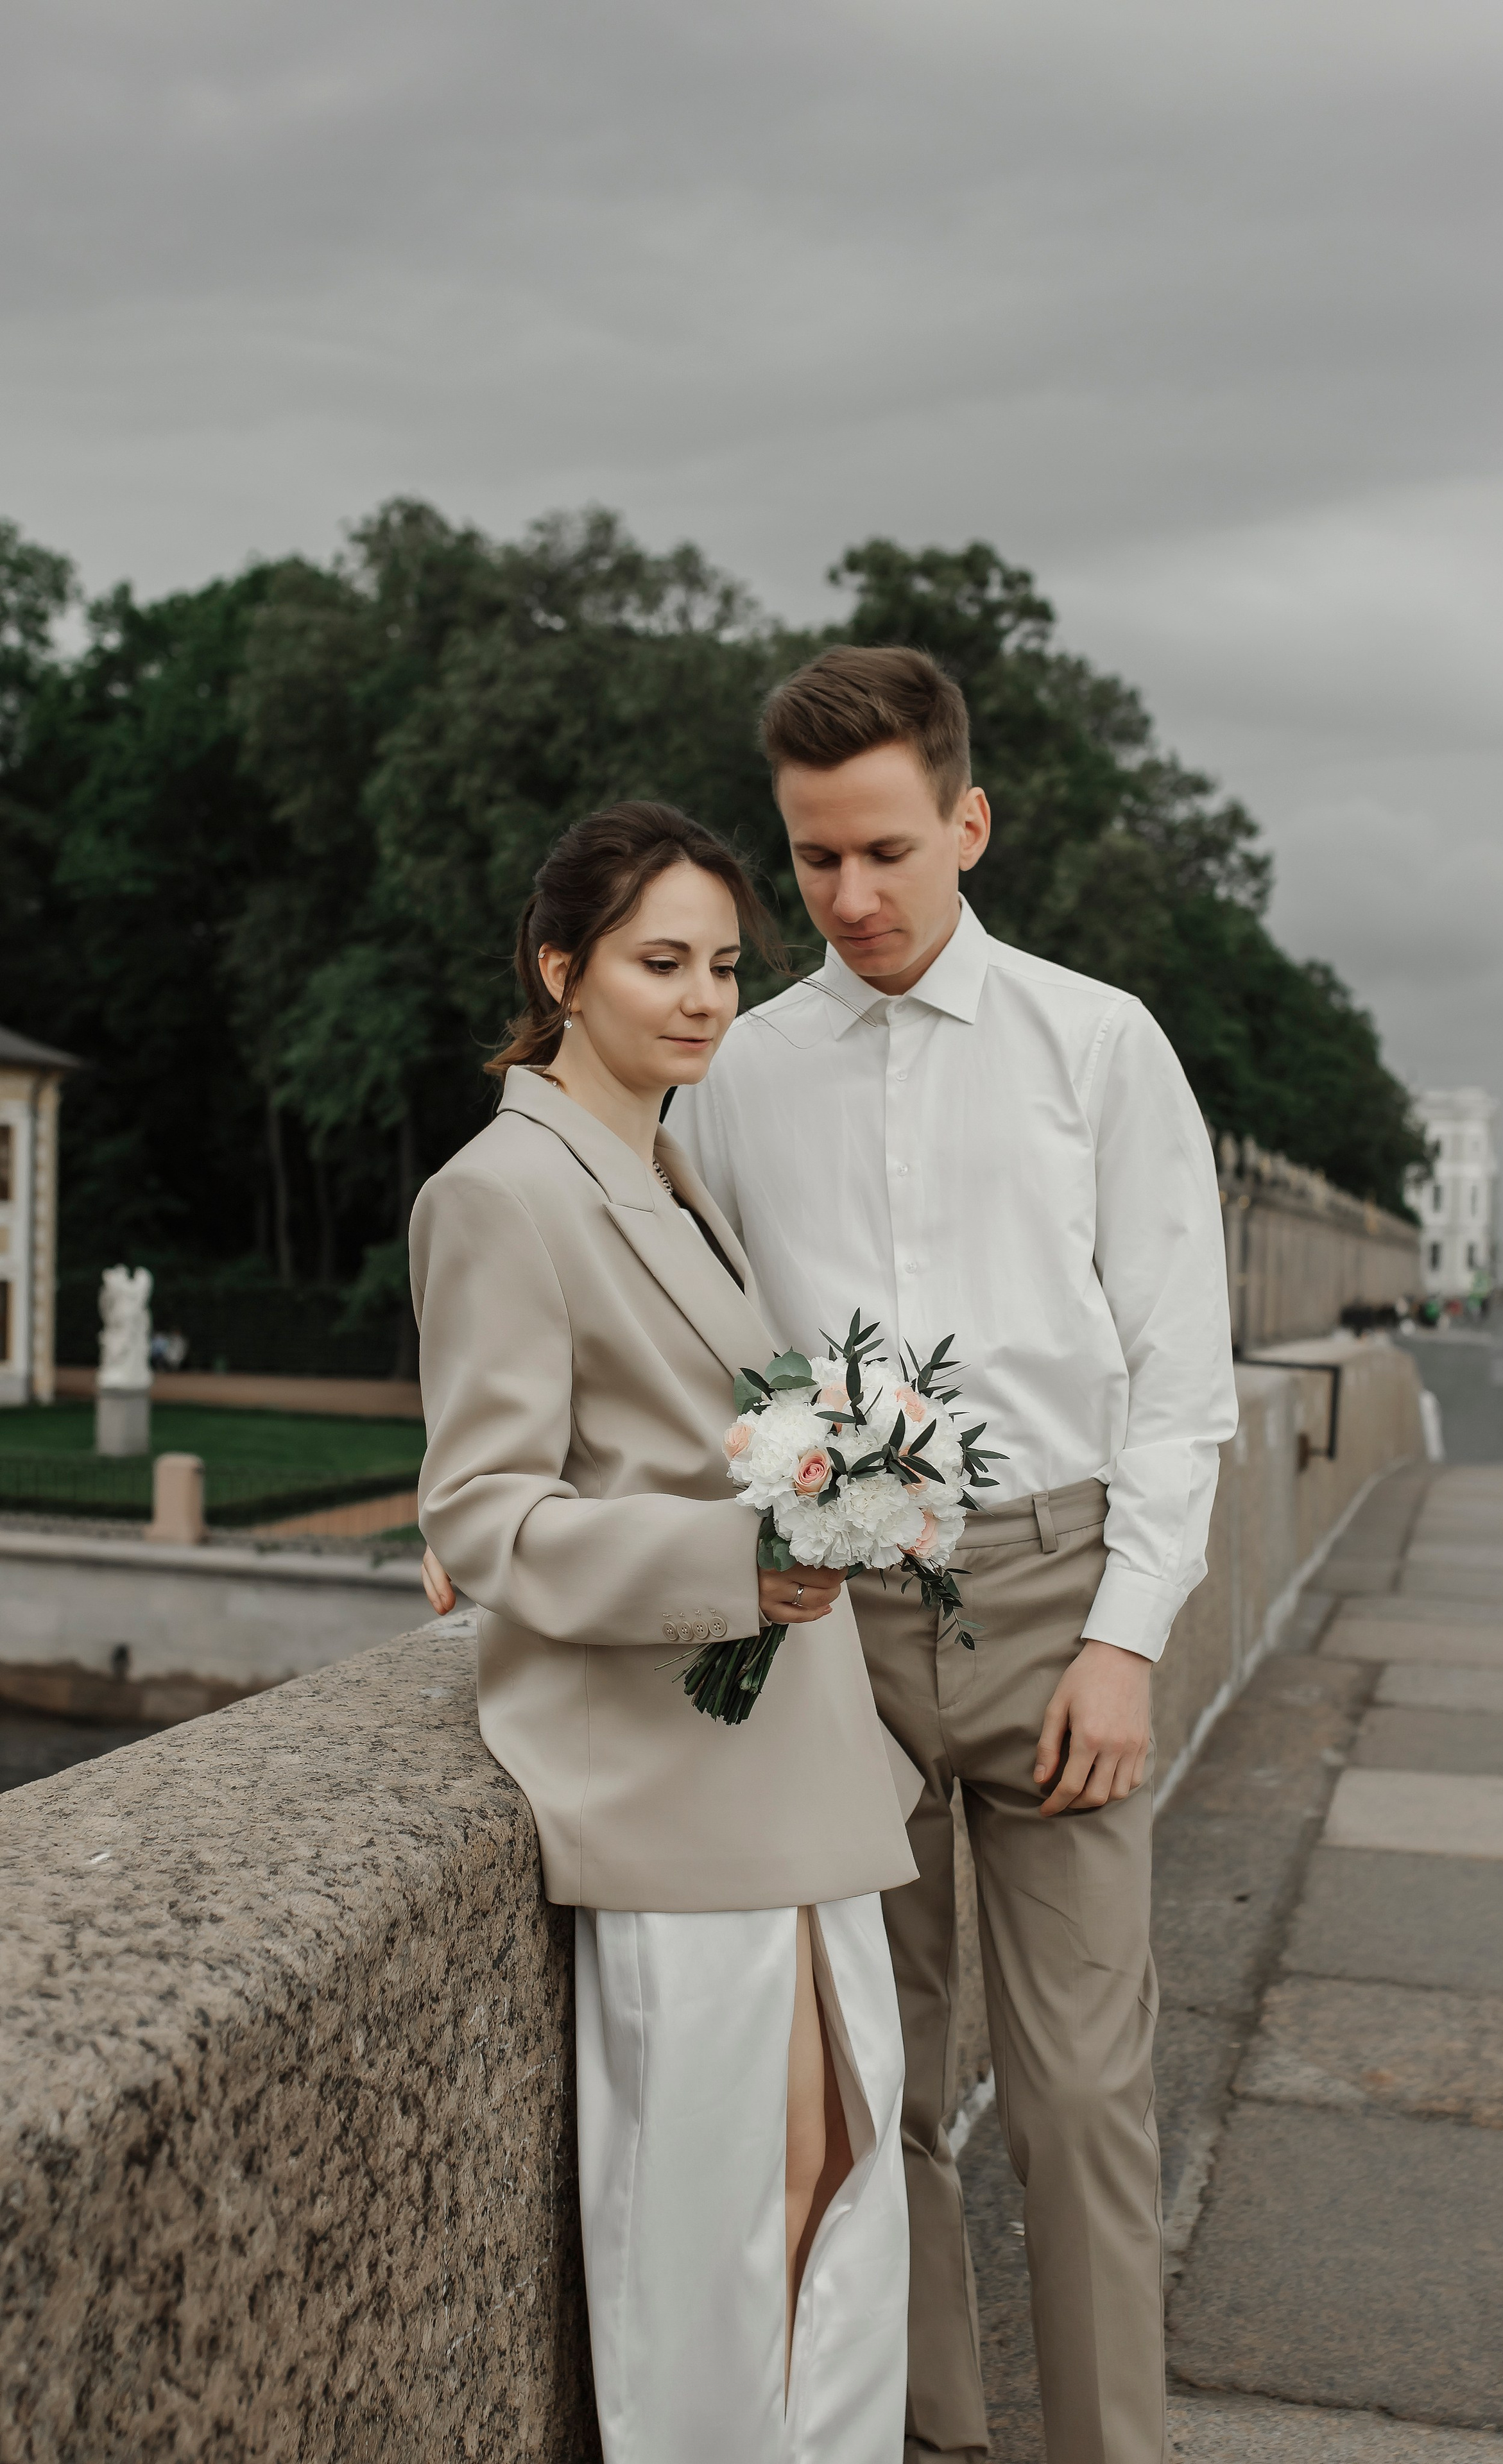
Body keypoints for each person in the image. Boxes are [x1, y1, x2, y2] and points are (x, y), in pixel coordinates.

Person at [667, 649, 1240, 2464]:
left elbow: (1181, 1382)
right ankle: (933, 2437)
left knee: (1082, 2093)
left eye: (888, 851)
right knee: (880, 2081)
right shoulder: (736, 1074)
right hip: (833, 1625)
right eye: (815, 858)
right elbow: (667, 1328)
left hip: (1058, 1603)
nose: (850, 897)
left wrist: (1127, 1643)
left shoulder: (1100, 1043)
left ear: (969, 824)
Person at [411, 801, 921, 2464]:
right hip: (669, 1768)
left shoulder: (666, 1170)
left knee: (836, 2171)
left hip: (778, 1755)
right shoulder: (501, 1191)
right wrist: (734, 1560)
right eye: (659, 963)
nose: (705, 998)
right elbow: (484, 1513)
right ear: (561, 970)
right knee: (732, 2218)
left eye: (721, 966)